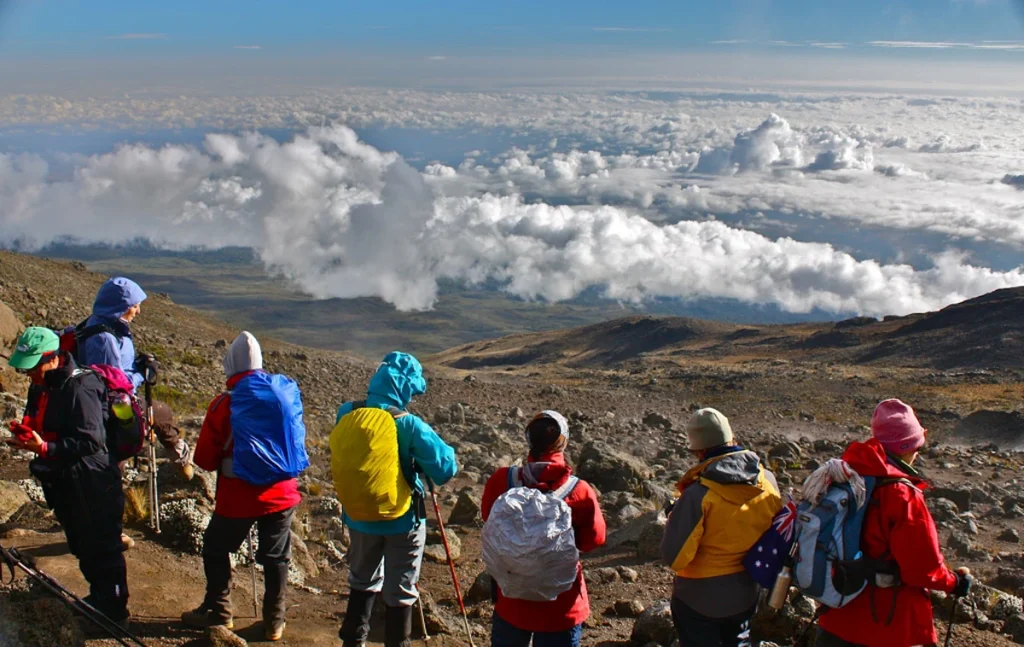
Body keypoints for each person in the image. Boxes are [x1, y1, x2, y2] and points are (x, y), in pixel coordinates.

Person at [815, 399, 973, 647]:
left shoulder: (845, 476)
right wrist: (955, 583)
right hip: (886, 626)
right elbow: (922, 568)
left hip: (836, 613)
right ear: (909, 445)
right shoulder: (901, 494)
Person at [6, 327, 130, 627]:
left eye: (33, 366)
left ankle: (113, 611)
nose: (29, 374)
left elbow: (91, 441)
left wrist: (45, 446)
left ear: (53, 358)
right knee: (82, 544)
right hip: (65, 479)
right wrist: (27, 435)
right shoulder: (41, 385)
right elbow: (34, 416)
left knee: (102, 546)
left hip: (92, 480)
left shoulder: (81, 387)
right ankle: (100, 599)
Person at [181, 332, 301, 642]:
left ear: (231, 364)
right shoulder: (283, 396)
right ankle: (275, 622)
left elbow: (205, 460)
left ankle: (220, 612)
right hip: (282, 493)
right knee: (276, 558)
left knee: (216, 548)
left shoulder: (224, 405)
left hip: (238, 496)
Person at [336, 352, 458, 647]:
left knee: (362, 579)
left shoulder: (347, 412)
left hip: (359, 514)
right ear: (405, 388)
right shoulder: (409, 424)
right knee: (400, 590)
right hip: (402, 520)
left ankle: (353, 641)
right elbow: (445, 469)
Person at [481, 410, 607, 647]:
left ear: (529, 440)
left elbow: (489, 519)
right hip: (562, 606)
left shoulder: (501, 480)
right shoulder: (580, 491)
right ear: (564, 442)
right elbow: (594, 541)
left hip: (511, 601)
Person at [660, 408, 781, 647]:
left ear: (700, 450)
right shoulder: (767, 480)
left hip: (698, 599)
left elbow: (675, 558)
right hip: (749, 590)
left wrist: (675, 519)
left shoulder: (698, 495)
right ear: (731, 438)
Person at [78, 276, 194, 480]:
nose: (138, 311)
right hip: (112, 406)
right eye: (134, 306)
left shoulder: (104, 324)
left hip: (107, 402)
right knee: (160, 413)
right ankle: (183, 463)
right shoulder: (103, 339)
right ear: (119, 305)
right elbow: (113, 384)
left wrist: (137, 367)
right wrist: (141, 374)